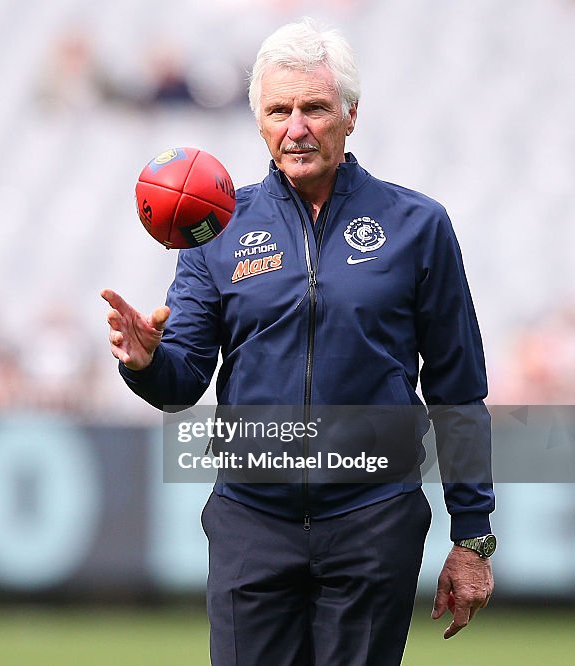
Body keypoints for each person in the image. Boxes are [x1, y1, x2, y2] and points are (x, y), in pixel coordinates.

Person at [102, 18, 494, 666]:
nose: (297, 126)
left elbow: (458, 391)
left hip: (375, 516)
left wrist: (472, 536)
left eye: (314, 107)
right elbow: (182, 381)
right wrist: (146, 363)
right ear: (258, 119)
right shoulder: (215, 230)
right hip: (250, 520)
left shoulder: (417, 225)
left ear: (350, 114)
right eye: (279, 109)